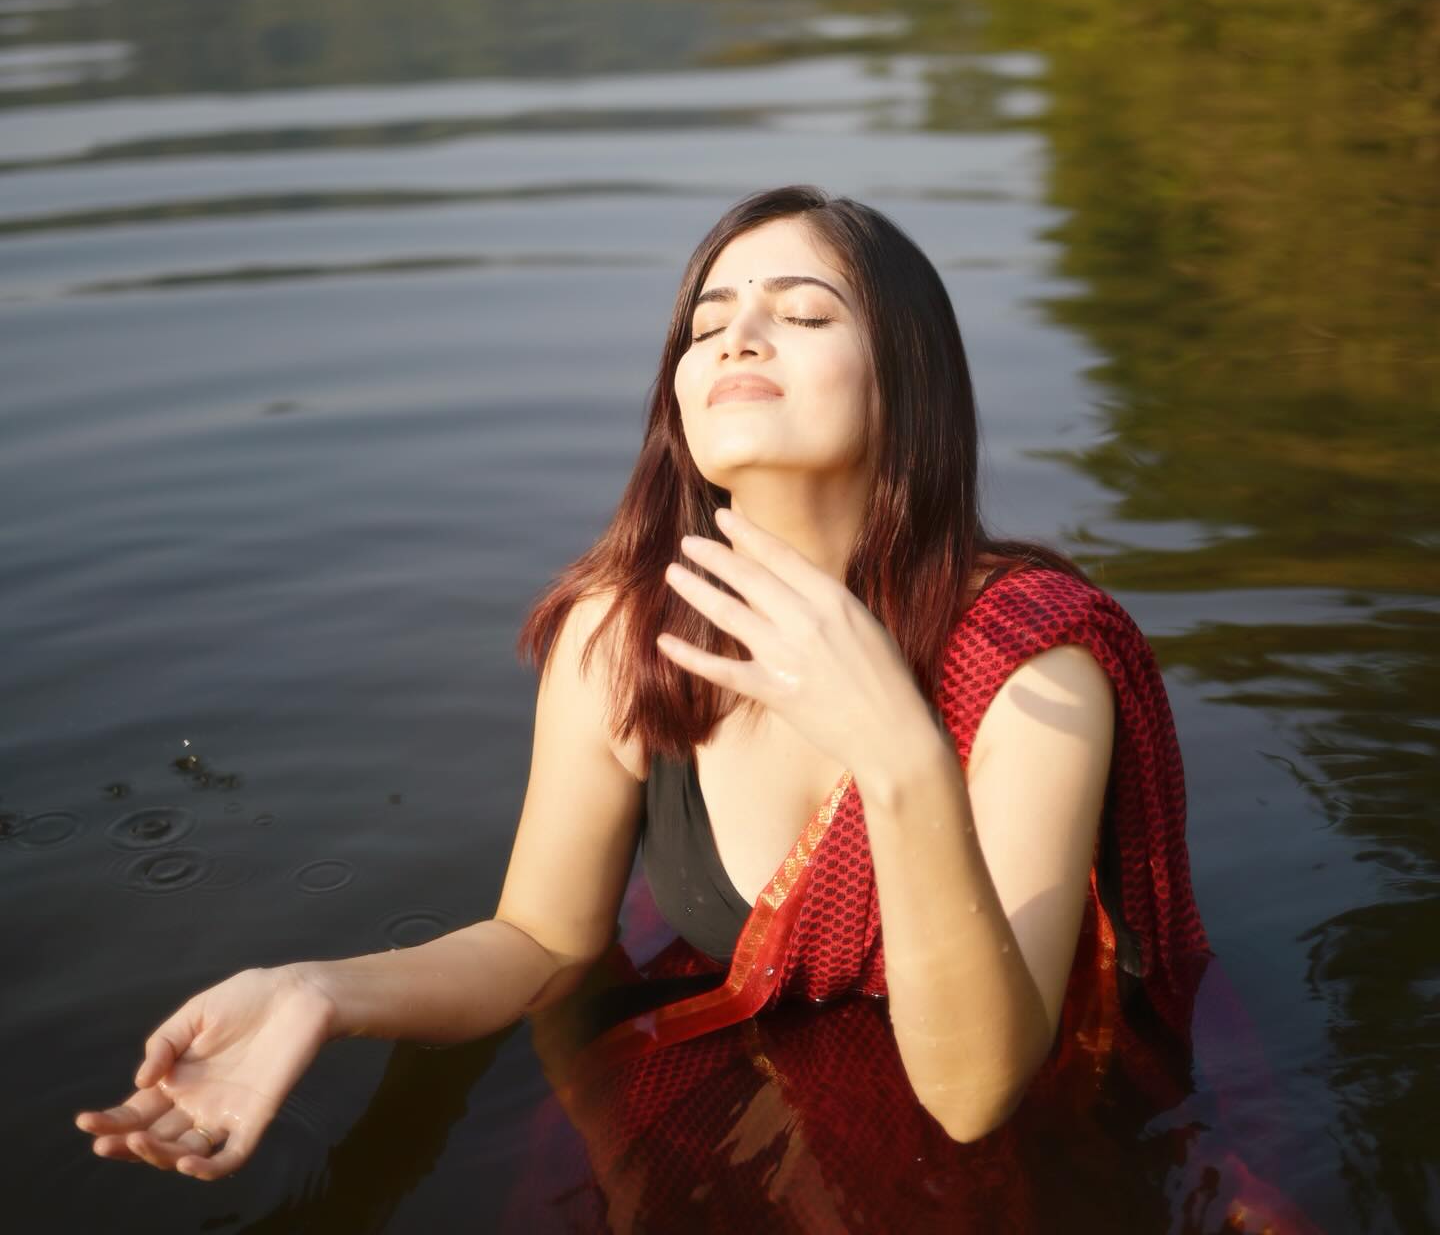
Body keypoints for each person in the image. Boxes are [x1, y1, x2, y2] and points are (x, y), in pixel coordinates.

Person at [75, 185, 1226, 1222]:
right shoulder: (622, 636)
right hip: (745, 1111)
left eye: (805, 313)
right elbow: (537, 943)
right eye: (708, 317)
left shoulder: (1029, 666)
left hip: (1014, 1152)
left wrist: (899, 752)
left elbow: (976, 1095)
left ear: (907, 382)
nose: (738, 332)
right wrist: (318, 993)